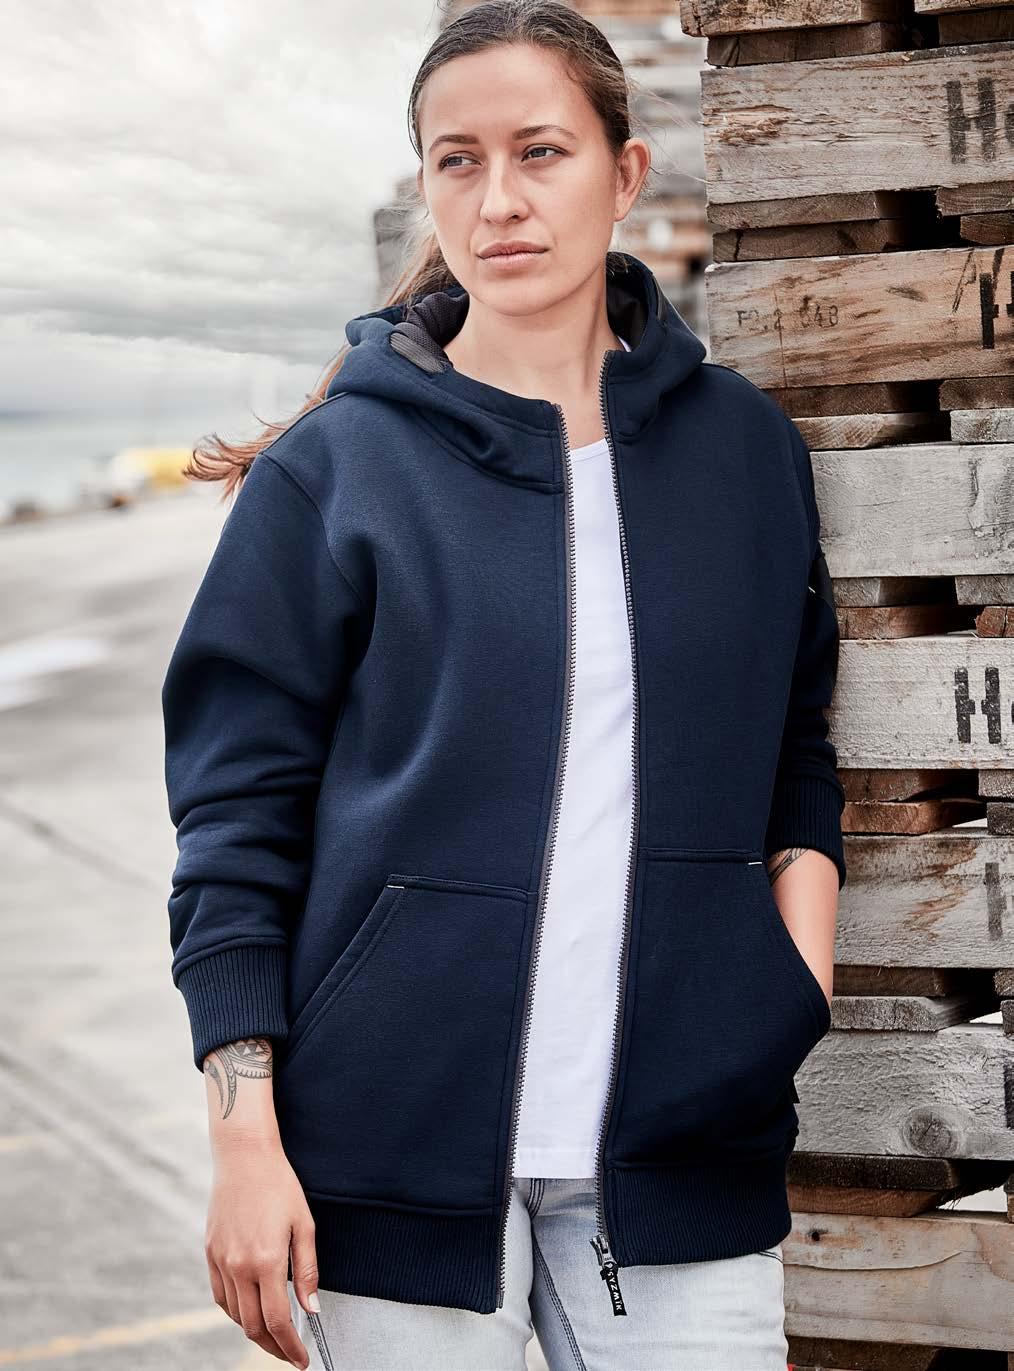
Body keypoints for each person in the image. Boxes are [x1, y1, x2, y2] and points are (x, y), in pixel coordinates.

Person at [160, 2, 845, 1367]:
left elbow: (791, 755)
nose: (500, 199)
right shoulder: (334, 473)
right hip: (385, 1155)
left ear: (624, 173)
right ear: (427, 184)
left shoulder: (743, 454)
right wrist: (245, 1143)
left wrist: (787, 988)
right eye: (457, 160)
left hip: (679, 1154)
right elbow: (236, 822)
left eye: (540, 150)